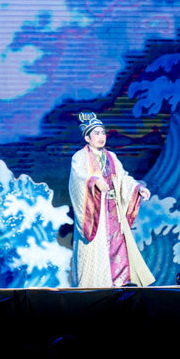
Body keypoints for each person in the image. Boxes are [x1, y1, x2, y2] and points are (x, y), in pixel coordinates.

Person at [68, 112, 156, 287]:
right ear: (87, 138)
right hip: (95, 211)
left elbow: (123, 178)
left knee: (117, 244)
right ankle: (92, 286)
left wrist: (138, 188)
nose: (101, 136)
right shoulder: (80, 157)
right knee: (95, 248)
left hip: (112, 210)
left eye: (103, 133)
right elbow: (78, 178)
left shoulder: (111, 157)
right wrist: (94, 181)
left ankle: (118, 281)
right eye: (96, 133)